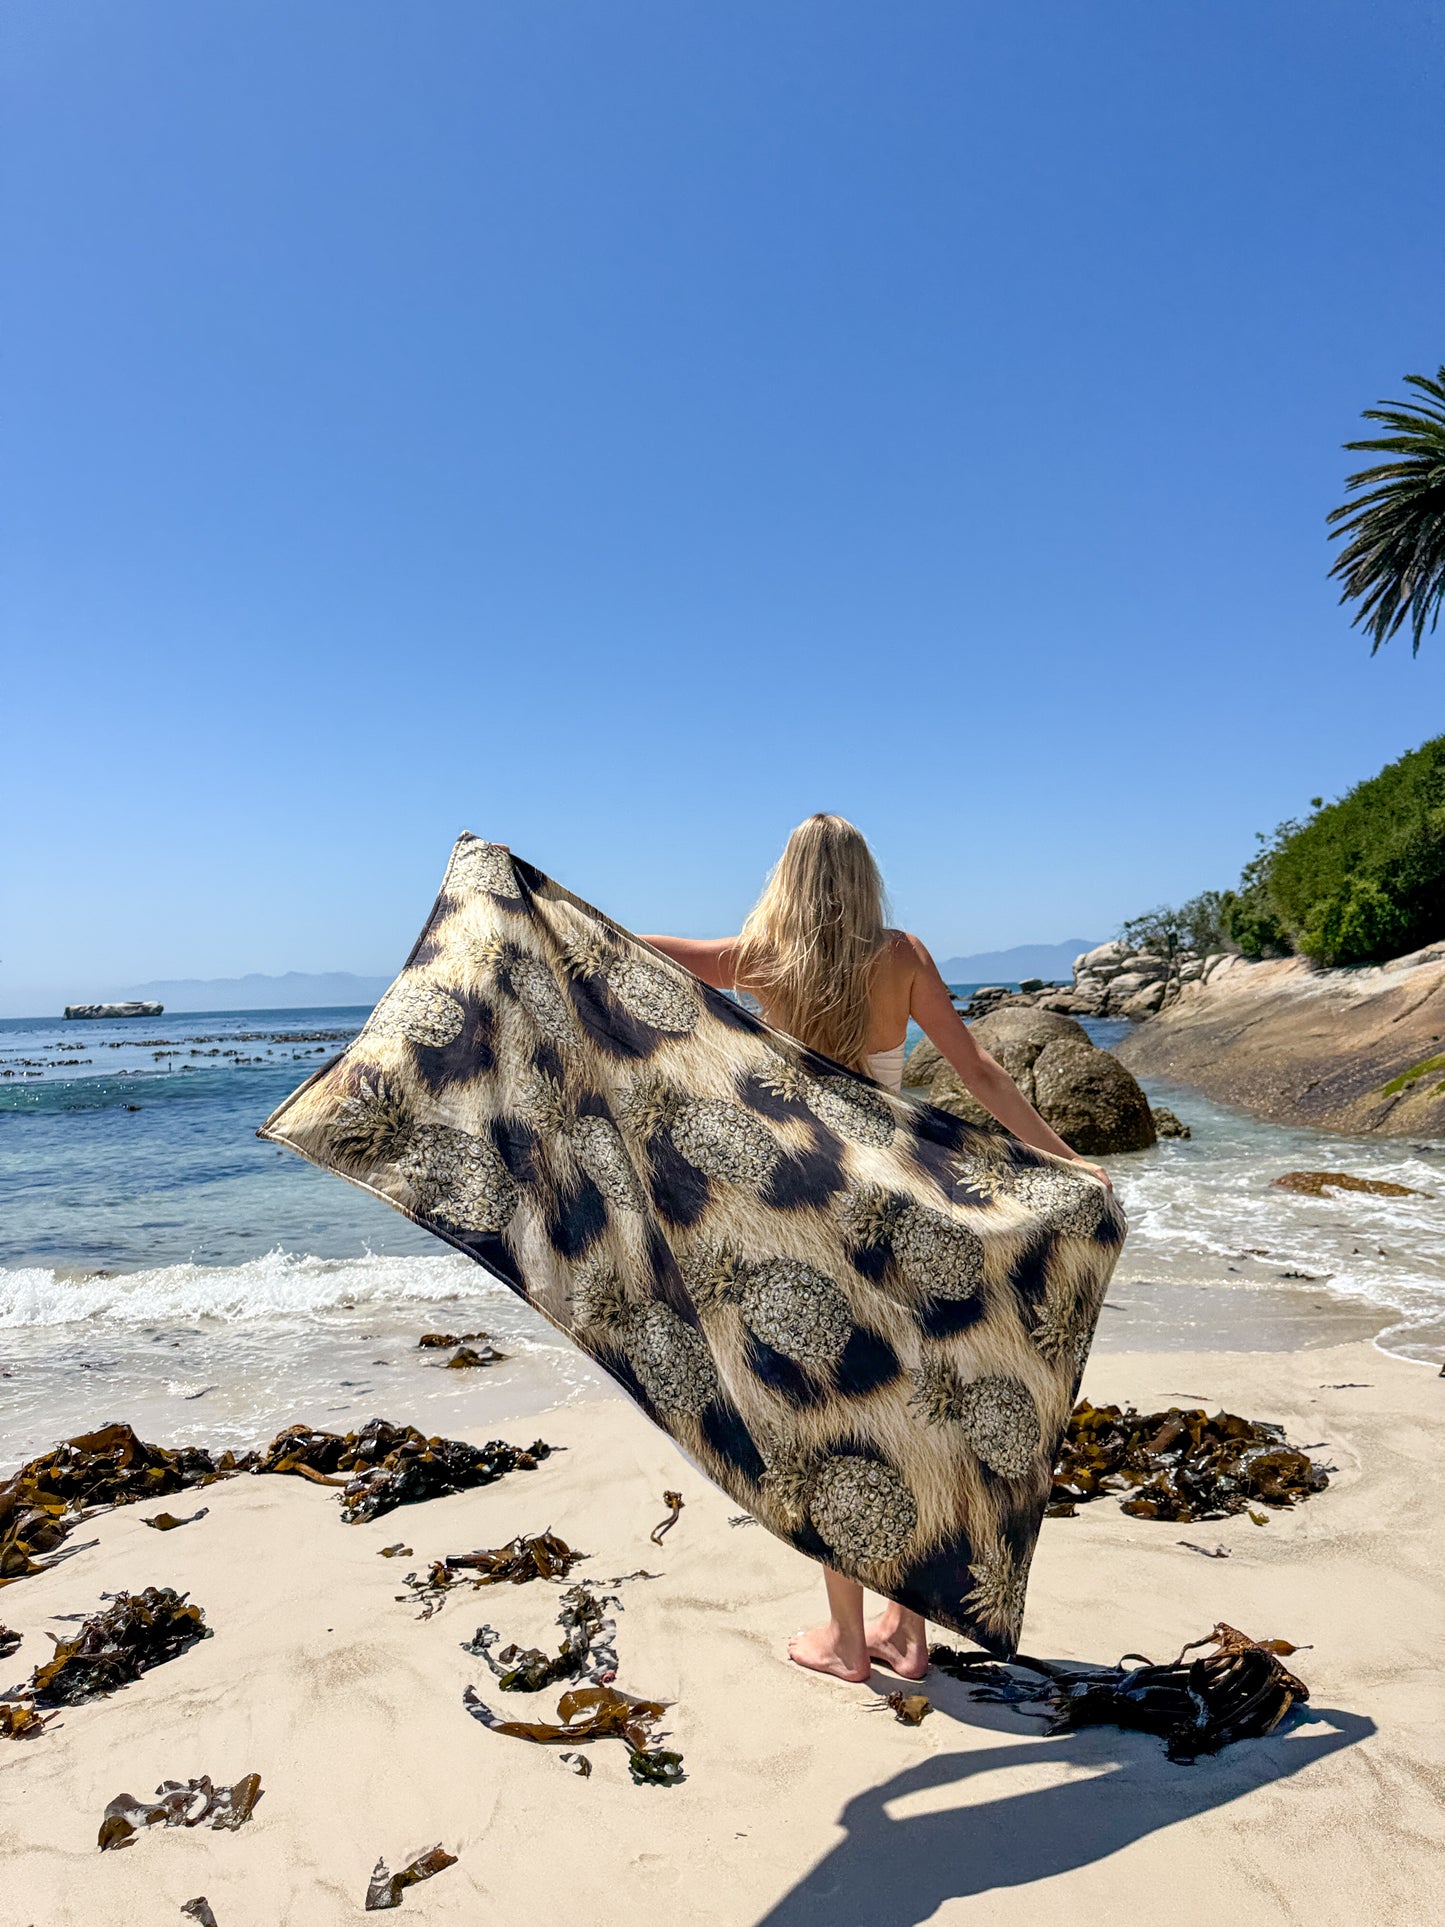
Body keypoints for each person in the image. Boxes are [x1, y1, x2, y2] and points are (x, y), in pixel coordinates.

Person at [641, 812, 1111, 1686]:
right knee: (925, 1407)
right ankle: (911, 1626)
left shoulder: (760, 954)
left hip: (800, 1215)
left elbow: (626, 952)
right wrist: (1064, 1159)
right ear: (865, 877)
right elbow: (980, 1074)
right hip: (904, 1215)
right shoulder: (902, 954)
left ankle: (851, 1641)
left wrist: (540, 907)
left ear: (788, 874)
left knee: (833, 1419)